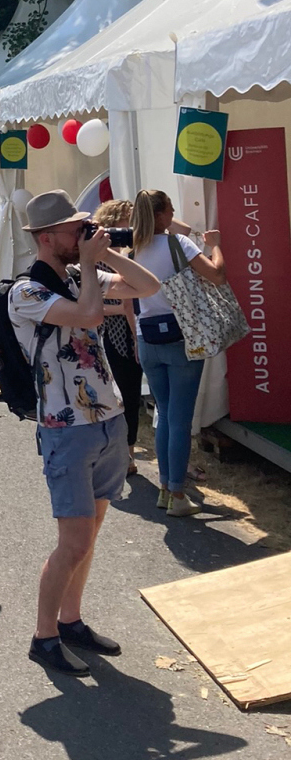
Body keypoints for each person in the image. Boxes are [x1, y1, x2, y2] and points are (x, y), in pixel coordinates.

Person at [9, 189, 159, 677]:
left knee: (89, 535)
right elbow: (89, 315)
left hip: (107, 419)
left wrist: (106, 250)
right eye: (76, 229)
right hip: (65, 428)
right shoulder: (26, 292)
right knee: (72, 541)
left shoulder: (80, 273)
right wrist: (92, 268)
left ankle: (70, 620)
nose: (83, 233)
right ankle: (43, 636)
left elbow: (148, 285)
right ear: (48, 237)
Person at [131, 189, 228, 517]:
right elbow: (216, 275)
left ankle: (165, 488)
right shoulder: (179, 245)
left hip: (148, 339)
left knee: (166, 414)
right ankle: (176, 492)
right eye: (170, 210)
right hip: (181, 338)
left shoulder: (133, 250)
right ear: (160, 215)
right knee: (179, 419)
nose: (174, 216)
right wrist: (215, 246)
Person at [92, 200, 142, 475]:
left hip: (118, 329)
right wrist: (123, 312)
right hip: (115, 334)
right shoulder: (105, 259)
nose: (133, 226)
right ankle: (126, 454)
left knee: (126, 396)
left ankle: (126, 453)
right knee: (126, 394)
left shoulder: (121, 255)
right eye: (129, 219)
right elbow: (115, 304)